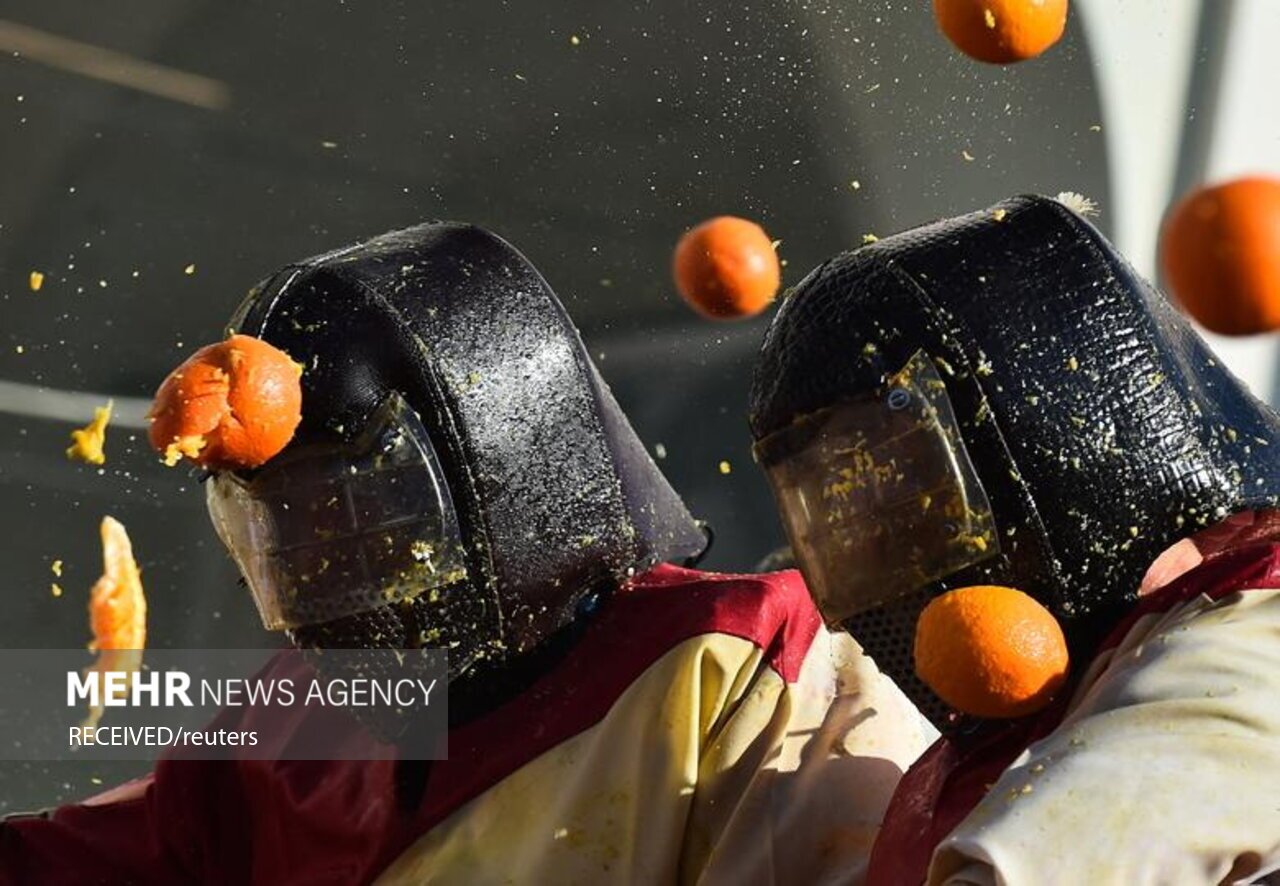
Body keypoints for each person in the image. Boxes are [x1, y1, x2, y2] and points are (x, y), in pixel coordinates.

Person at [0, 223, 932, 884]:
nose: (316, 567)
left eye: (352, 514)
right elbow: (105, 857)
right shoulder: (296, 715)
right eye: (277, 525)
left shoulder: (740, 655)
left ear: (500, 461)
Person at [748, 193, 1280, 885]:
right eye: (853, 526)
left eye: (922, 509)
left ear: (1060, 455)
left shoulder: (1255, 631)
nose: (896, 576)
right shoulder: (1009, 743)